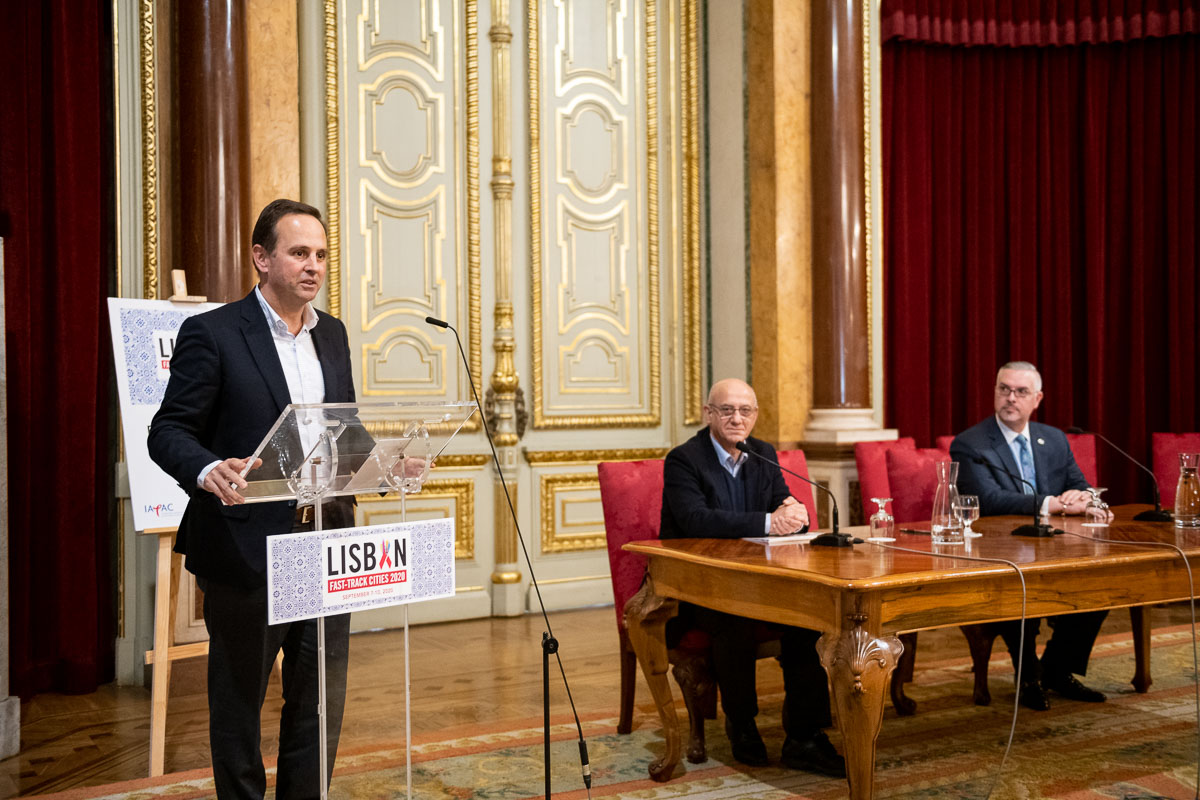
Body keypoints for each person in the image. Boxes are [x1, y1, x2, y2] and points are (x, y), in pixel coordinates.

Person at [148, 199, 357, 799]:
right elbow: (168, 430)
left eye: (320, 254)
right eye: (299, 253)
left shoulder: (334, 334)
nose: (313, 266)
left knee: (318, 696)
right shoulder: (211, 333)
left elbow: (344, 429)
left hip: (326, 542)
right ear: (261, 259)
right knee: (240, 703)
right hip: (246, 547)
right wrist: (209, 467)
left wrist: (387, 463)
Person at [659, 378, 845, 777]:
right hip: (696, 587)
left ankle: (805, 737)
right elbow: (695, 520)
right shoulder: (684, 459)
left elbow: (783, 502)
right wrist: (769, 521)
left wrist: (796, 515)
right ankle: (741, 723)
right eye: (726, 410)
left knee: (807, 622)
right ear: (709, 414)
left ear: (756, 415)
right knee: (734, 621)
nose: (736, 418)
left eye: (745, 411)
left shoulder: (761, 453)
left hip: (758, 581)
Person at [950, 361, 1109, 711]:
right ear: (994, 392)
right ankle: (1028, 675)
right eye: (1003, 389)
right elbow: (988, 500)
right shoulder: (971, 443)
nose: (1010, 398)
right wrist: (1053, 503)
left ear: (1037, 398)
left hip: (1056, 546)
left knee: (1104, 582)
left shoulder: (1052, 438)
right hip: (999, 548)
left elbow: (1077, 483)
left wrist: (1083, 498)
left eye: (1021, 392)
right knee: (1020, 583)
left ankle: (1056, 668)